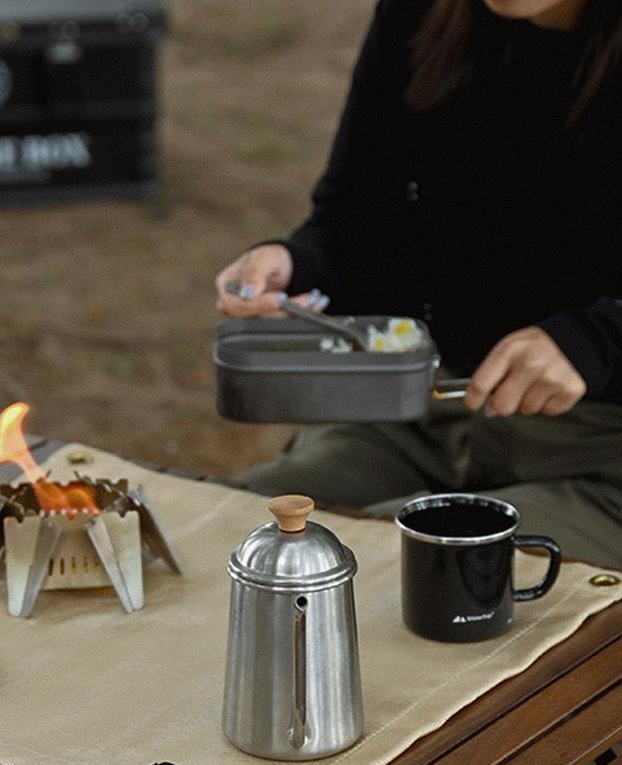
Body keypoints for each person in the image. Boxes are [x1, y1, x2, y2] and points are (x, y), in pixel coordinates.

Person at [214, 0, 622, 569]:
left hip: (600, 459)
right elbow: (355, 219)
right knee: (230, 537)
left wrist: (596, 341)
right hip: (418, 412)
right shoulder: (420, 12)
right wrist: (296, 264)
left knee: (388, 573)